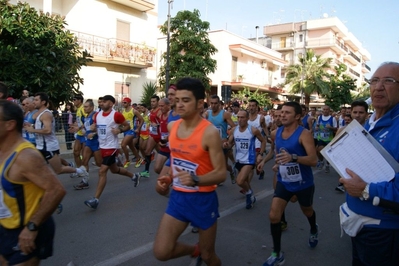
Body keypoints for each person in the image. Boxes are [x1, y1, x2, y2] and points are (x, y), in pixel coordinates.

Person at [153, 78, 226, 265]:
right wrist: (167, 179)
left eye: (185, 100)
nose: (179, 104)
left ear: (200, 103)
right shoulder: (172, 127)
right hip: (178, 198)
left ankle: (203, 252)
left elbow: (220, 173)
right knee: (161, 251)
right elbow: (176, 160)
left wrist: (195, 180)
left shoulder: (209, 133)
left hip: (203, 201)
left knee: (209, 256)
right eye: (177, 100)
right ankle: (195, 250)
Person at [339, 62, 399, 266]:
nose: (378, 87)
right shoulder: (369, 123)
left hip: (384, 232)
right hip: (360, 224)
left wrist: (366, 188)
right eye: (374, 81)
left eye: (389, 81)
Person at [0, 100, 66, 265]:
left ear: (9, 125)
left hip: (27, 230)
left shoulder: (26, 157)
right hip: (5, 227)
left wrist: (32, 227)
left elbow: (56, 190)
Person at [261, 102, 318, 266]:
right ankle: (277, 253)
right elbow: (279, 154)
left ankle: (313, 228)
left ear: (298, 116)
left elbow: (313, 160)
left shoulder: (304, 134)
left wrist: (293, 158)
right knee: (274, 215)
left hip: (303, 183)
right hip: (284, 181)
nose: (282, 115)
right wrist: (278, 164)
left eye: (287, 113)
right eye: (281, 112)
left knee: (307, 211)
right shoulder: (275, 133)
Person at [84, 95, 139, 210]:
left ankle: (95, 199)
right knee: (114, 170)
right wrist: (93, 130)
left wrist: (119, 130)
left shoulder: (116, 115)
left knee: (102, 171)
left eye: (104, 102)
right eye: (101, 102)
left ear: (111, 103)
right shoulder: (97, 115)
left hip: (111, 147)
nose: (101, 103)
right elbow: (97, 128)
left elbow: (127, 125)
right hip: (102, 146)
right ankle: (134, 176)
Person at [24, 92, 88, 178]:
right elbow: (41, 127)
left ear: (43, 102)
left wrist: (33, 130)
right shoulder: (39, 114)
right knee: (34, 167)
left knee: (58, 170)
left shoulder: (46, 114)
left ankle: (80, 170)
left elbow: (48, 130)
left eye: (36, 100)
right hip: (40, 146)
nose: (34, 102)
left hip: (48, 147)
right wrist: (31, 126)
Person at [223, 109, 266, 209]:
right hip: (239, 160)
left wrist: (260, 154)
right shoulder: (234, 130)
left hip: (249, 160)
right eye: (238, 117)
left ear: (247, 118)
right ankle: (251, 197)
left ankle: (249, 193)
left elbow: (263, 141)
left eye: (242, 117)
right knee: (245, 182)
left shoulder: (253, 130)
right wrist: (226, 145)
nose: (239, 119)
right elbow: (230, 143)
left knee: (240, 181)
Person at [204, 95, 236, 184]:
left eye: (215, 103)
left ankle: (231, 171)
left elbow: (234, 128)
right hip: (211, 143)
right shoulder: (207, 114)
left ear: (219, 104)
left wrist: (228, 140)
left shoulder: (224, 114)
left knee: (224, 166)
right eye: (212, 103)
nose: (213, 105)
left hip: (222, 144)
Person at [73, 99, 103, 190]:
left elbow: (101, 128)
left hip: (96, 142)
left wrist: (94, 133)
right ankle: (85, 182)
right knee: (84, 161)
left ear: (92, 107)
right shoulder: (87, 116)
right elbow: (86, 126)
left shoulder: (95, 116)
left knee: (99, 163)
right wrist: (78, 128)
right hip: (89, 142)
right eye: (84, 106)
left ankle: (114, 165)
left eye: (86, 107)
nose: (84, 108)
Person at [120, 97, 143, 168]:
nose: (123, 104)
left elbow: (142, 120)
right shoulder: (123, 111)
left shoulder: (134, 111)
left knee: (123, 145)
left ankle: (127, 160)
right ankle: (139, 158)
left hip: (132, 130)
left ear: (129, 103)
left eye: (125, 102)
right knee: (131, 147)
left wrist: (138, 128)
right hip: (126, 131)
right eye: (123, 102)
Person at [315, 105, 337, 173]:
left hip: (329, 139)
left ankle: (327, 164)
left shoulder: (332, 119)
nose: (325, 111)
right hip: (321, 138)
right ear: (322, 110)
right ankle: (321, 161)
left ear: (329, 110)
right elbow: (317, 125)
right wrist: (317, 127)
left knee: (328, 153)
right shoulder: (319, 117)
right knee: (319, 151)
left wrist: (330, 127)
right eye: (324, 109)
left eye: (326, 109)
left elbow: (336, 129)